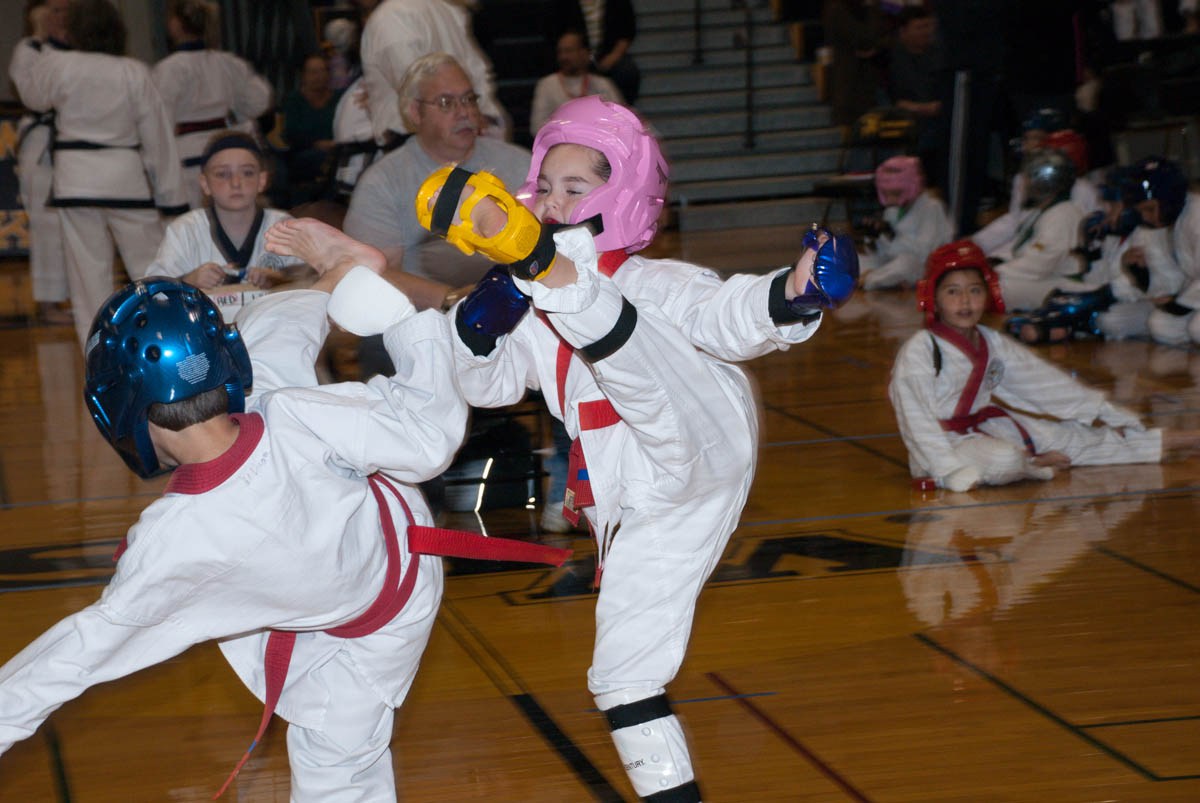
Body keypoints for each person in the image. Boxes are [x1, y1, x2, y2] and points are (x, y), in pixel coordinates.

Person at [414, 95, 859, 801]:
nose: (556, 202)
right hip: (645, 502)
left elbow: (729, 315)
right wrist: (476, 332)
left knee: (611, 329)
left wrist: (794, 293)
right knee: (623, 675)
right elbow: (493, 386)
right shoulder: (529, 310)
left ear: (622, 195)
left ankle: (550, 271)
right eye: (547, 187)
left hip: (699, 435)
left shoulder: (657, 281)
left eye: (576, 188)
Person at [888, 239, 1200, 493]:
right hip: (938, 447)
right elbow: (914, 416)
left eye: (974, 290)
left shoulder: (990, 341)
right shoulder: (920, 350)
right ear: (935, 298)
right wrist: (946, 468)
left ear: (988, 294)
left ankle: (1183, 439)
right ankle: (1035, 467)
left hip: (983, 429)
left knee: (1072, 438)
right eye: (953, 292)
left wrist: (1103, 411)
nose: (965, 302)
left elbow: (1042, 383)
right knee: (1003, 458)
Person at [8, 0, 188, 351]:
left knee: (88, 276)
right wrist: (172, 198)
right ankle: (165, 337)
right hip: (126, 179)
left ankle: (98, 352)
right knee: (149, 265)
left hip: (76, 180)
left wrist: (38, 41)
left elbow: (32, 95)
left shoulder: (59, 64)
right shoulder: (134, 70)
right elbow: (158, 137)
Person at [344, 52, 531, 307]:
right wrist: (452, 300)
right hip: (425, 323)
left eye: (469, 99)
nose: (464, 112)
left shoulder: (520, 163)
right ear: (415, 112)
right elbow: (371, 274)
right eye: (446, 102)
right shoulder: (383, 182)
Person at [143, 131, 306, 320]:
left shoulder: (284, 226)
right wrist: (188, 282)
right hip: (203, 338)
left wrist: (280, 279)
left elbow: (313, 284)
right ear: (205, 183)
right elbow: (151, 295)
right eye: (222, 174)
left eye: (247, 173)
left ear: (262, 180)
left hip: (272, 331)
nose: (236, 183)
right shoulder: (185, 230)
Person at [153, 0, 273, 211]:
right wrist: (238, 114)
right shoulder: (228, 63)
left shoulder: (168, 69)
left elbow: (159, 121)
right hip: (226, 148)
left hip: (187, 156)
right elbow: (259, 101)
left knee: (194, 224)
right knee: (232, 217)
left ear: (175, 25)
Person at [358, 0, 508, 145]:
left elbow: (415, 91)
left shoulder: (390, 16)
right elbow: (479, 75)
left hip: (423, 146)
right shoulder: (447, 9)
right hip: (457, 137)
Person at [10, 0, 72, 326]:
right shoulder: (29, 49)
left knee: (76, 224)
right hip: (42, 146)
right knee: (47, 226)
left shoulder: (80, 51)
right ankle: (49, 304)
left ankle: (76, 296)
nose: (61, 17)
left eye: (66, 10)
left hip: (77, 143)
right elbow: (30, 91)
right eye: (55, 10)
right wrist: (38, 34)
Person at [991, 147, 1088, 310]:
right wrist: (992, 262)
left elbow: (1039, 265)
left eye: (1029, 177)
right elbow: (1020, 250)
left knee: (996, 288)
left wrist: (994, 272)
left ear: (1045, 181)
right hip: (1047, 278)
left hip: (1065, 285)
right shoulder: (1043, 212)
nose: (1025, 183)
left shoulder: (1063, 213)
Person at [858, 155, 953, 289]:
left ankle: (869, 280)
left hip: (923, 267)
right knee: (856, 259)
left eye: (896, 193)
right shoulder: (892, 211)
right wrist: (874, 239)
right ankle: (882, 280)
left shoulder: (932, 207)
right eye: (886, 194)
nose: (891, 199)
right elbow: (884, 254)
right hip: (892, 262)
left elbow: (924, 254)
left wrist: (893, 236)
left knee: (905, 265)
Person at [887, 6, 944, 183]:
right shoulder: (893, 59)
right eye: (920, 27)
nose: (926, 32)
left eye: (928, 26)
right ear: (903, 31)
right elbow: (896, 100)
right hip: (911, 125)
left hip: (940, 122)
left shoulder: (941, 55)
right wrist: (924, 108)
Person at [530, 28, 625, 133]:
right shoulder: (546, 85)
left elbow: (621, 119)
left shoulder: (603, 84)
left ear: (584, 53)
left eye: (569, 51)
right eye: (560, 52)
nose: (563, 57)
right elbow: (536, 127)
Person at [551, 0, 641, 104]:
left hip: (608, 56)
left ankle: (624, 110)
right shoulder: (564, 4)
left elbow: (627, 32)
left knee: (627, 70)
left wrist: (613, 57)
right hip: (576, 54)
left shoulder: (618, 3)